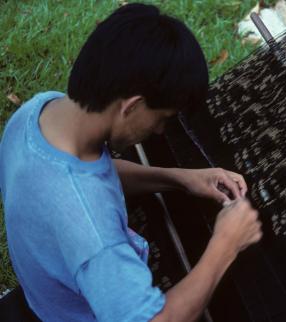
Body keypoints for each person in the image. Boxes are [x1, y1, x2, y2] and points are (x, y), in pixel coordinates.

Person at [0, 3, 262, 322]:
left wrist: (178, 178)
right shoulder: (93, 235)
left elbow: (92, 175)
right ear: (133, 105)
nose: (161, 130)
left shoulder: (37, 113)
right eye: (163, 118)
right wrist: (226, 245)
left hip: (46, 296)